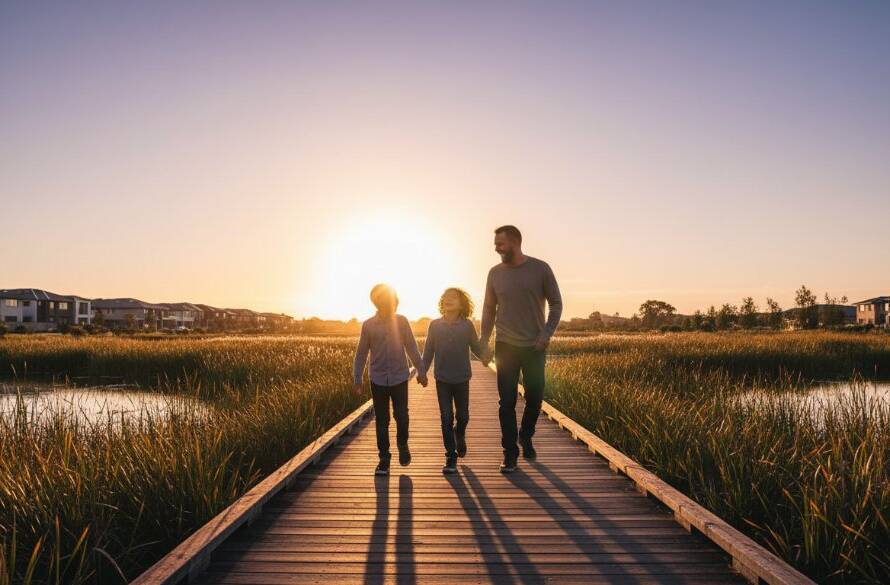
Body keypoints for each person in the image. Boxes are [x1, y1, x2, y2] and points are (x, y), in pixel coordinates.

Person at [479, 225, 562, 473]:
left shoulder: (540, 269)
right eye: (495, 244)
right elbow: (488, 309)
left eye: (500, 244)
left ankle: (526, 435)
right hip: (505, 345)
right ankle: (510, 452)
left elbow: (556, 304)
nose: (496, 248)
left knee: (535, 396)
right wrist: (484, 340)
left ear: (515, 242)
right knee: (506, 402)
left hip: (535, 346)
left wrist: (545, 335)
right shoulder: (494, 273)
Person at [353, 284, 428, 475]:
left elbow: (412, 347)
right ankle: (384, 458)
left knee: (402, 416)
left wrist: (421, 371)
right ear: (376, 301)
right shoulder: (368, 325)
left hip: (399, 376)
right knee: (382, 420)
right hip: (377, 379)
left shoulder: (402, 321)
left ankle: (402, 444)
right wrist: (357, 377)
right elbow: (361, 353)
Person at [422, 287, 482, 474]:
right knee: (446, 417)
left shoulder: (467, 325)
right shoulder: (435, 325)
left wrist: (489, 356)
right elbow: (428, 351)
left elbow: (476, 348)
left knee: (463, 416)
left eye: (453, 297)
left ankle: (460, 433)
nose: (448, 300)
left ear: (461, 303)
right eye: (446, 297)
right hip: (442, 378)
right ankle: (450, 455)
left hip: (462, 377)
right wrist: (422, 371)